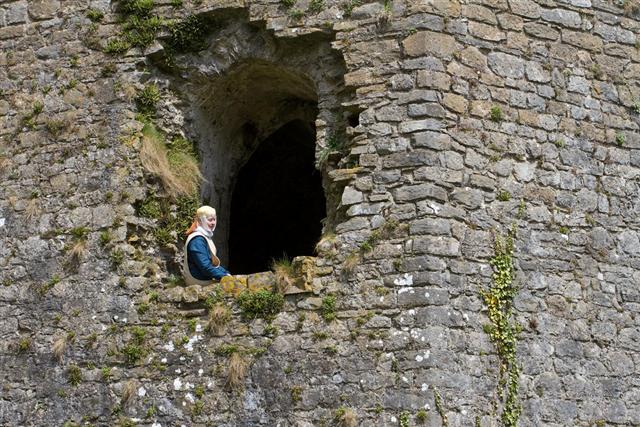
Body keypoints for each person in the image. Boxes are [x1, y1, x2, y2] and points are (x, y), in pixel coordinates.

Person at [182, 205, 231, 286]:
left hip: (203, 277)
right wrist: (224, 276)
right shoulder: (197, 239)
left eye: (214, 219)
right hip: (197, 281)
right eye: (210, 220)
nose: (213, 223)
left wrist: (226, 273)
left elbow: (212, 264)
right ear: (201, 221)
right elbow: (205, 267)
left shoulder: (204, 236)